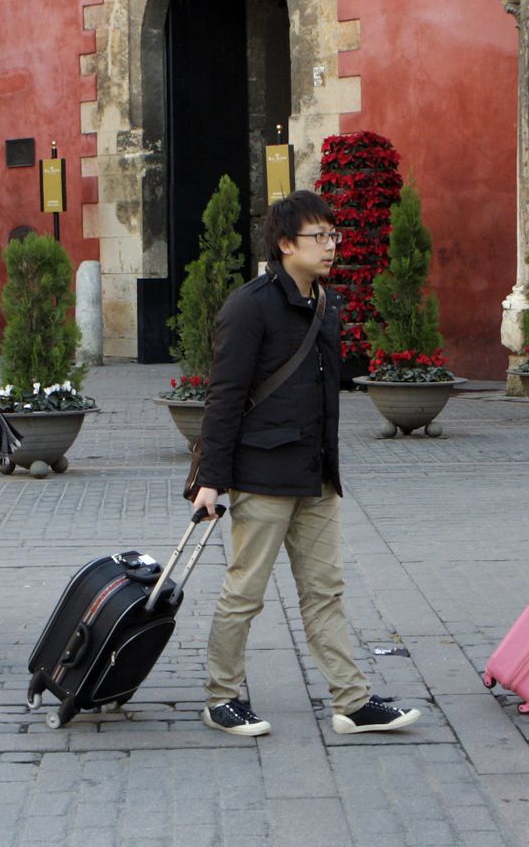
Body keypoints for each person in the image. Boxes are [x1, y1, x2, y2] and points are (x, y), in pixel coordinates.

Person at [191, 190, 420, 737]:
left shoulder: (325, 302)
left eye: (333, 236)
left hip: (317, 475)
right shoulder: (249, 306)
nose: (330, 246)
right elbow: (225, 398)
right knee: (245, 592)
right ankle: (221, 697)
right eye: (319, 237)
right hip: (263, 476)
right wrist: (210, 480)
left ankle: (352, 701)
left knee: (325, 591)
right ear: (285, 243)